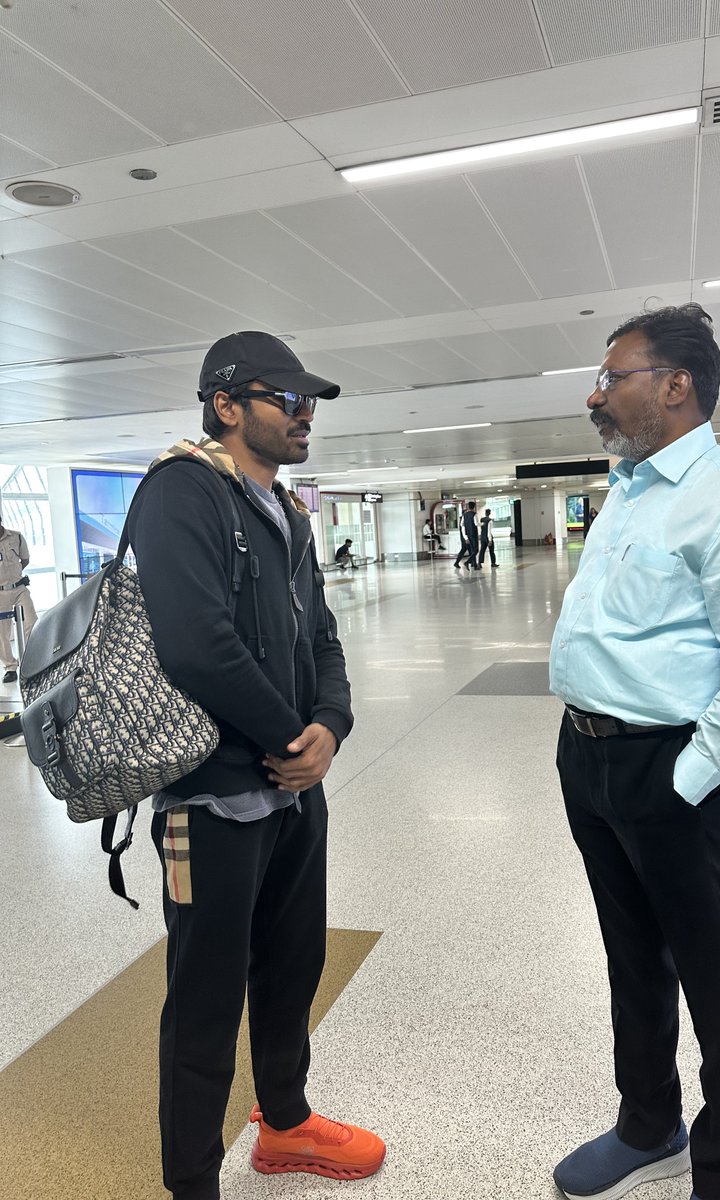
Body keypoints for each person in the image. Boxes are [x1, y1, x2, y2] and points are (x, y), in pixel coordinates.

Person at [549, 304, 720, 1200]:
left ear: (674, 385)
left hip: (678, 769)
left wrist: (683, 782)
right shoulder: (629, 489)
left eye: (612, 376)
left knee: (714, 972)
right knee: (630, 954)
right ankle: (647, 1122)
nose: (596, 393)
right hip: (588, 760)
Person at [128, 331, 385, 1200]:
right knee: (204, 997)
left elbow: (321, 636)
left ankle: (283, 1123)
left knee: (292, 965)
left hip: (292, 799)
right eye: (288, 398)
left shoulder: (289, 514)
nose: (305, 414)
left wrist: (331, 726)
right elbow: (197, 644)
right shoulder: (181, 492)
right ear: (227, 404)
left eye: (311, 402)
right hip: (210, 799)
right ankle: (192, 1179)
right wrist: (289, 738)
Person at [0, 519, 37, 683]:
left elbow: (25, 559)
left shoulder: (16, 537)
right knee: (2, 633)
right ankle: (10, 667)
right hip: (0, 593)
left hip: (19, 589)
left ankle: (34, 661)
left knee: (31, 623)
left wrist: (14, 575)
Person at [453, 501, 480, 570]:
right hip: (467, 537)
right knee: (472, 550)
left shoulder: (463, 519)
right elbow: (475, 524)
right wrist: (466, 538)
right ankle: (471, 564)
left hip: (465, 537)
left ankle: (473, 564)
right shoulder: (469, 517)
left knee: (467, 550)